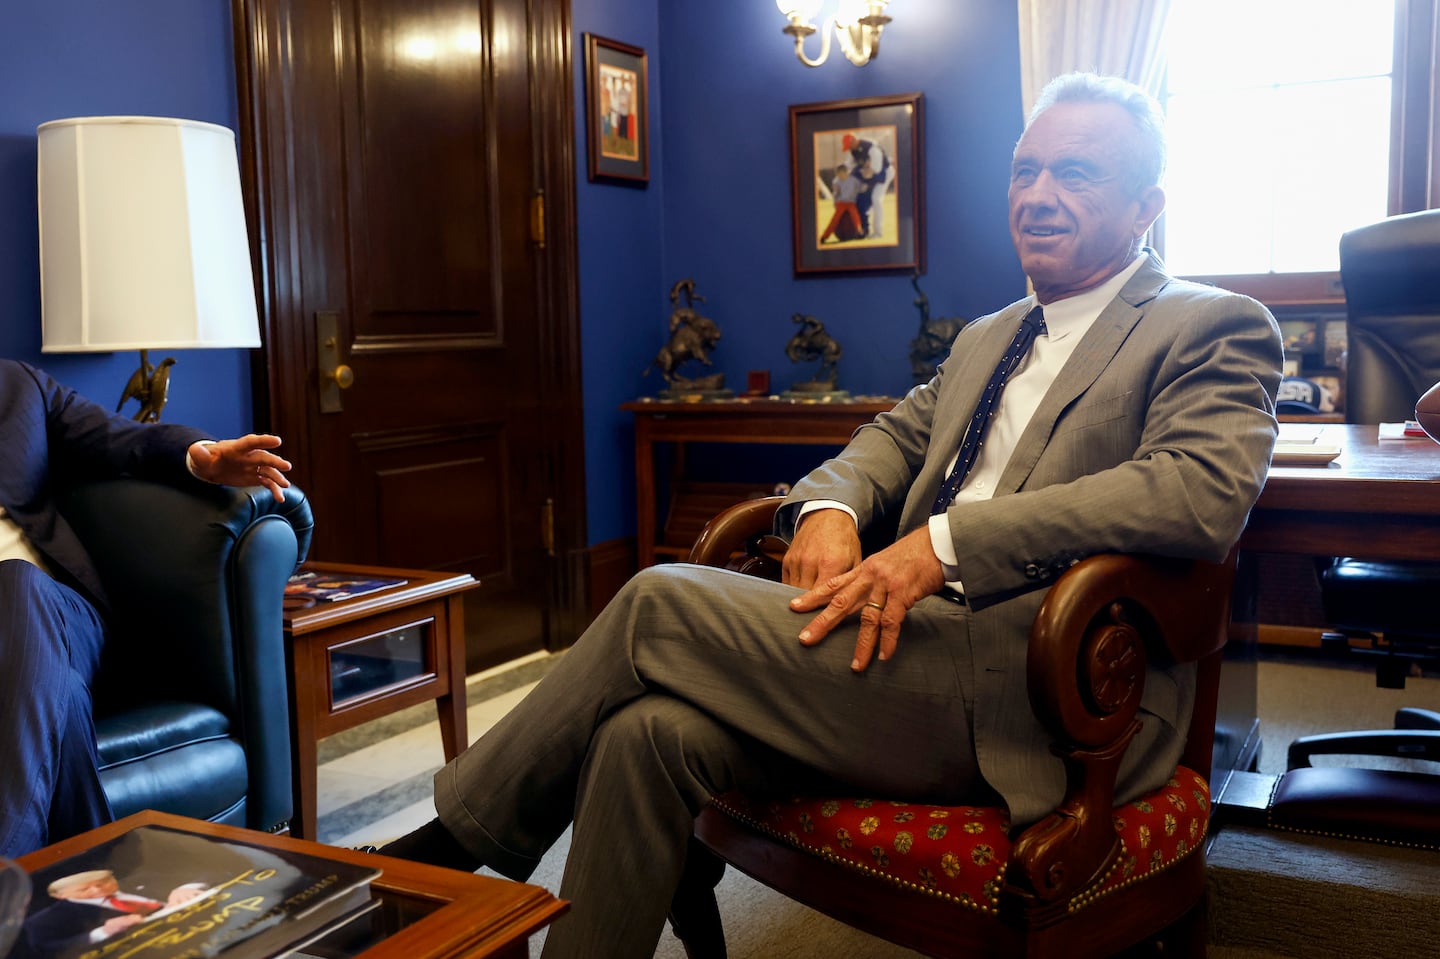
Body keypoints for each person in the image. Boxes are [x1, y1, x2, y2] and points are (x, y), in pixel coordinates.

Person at [377, 72, 1283, 957]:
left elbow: (1196, 491)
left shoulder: (1208, 324)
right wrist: (829, 509)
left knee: (655, 600)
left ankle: (443, 856)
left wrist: (942, 544)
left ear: (1146, 206)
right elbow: (886, 440)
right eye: (1024, 170)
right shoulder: (989, 336)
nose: (1037, 197)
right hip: (899, 651)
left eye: (1074, 174)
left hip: (1048, 689)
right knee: (641, 734)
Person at [0, 359, 293, 857]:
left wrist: (202, 458)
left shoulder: (14, 384)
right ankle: (85, 906)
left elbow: (120, 438)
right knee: (64, 695)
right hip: (44, 668)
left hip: (52, 615)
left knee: (16, 582)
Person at [17, 868, 209, 955]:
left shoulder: (142, 877)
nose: (97, 890)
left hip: (203, 922)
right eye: (85, 889)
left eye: (104, 883)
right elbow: (46, 951)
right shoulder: (47, 919)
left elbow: (209, 869)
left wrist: (184, 887)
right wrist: (103, 932)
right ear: (60, 895)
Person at [818, 163, 865, 243]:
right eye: (838, 175)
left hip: (851, 203)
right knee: (835, 219)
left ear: (846, 172)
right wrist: (835, 202)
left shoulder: (854, 180)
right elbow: (836, 194)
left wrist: (865, 187)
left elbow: (861, 188)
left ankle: (860, 232)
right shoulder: (836, 181)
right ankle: (824, 236)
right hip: (841, 203)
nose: (839, 176)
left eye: (841, 174)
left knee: (856, 217)